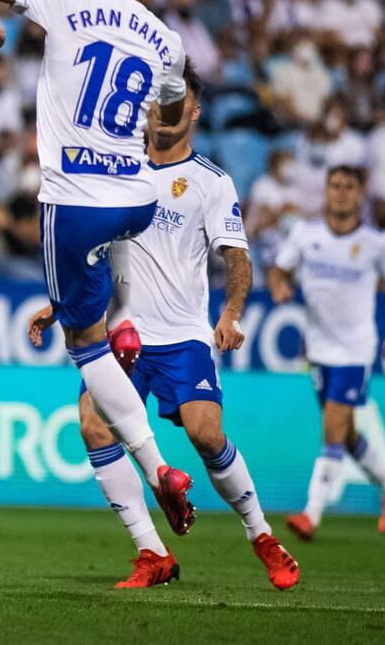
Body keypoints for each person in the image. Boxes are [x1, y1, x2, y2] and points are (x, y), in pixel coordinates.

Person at [0, 0, 196, 536]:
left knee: (86, 349)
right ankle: (126, 317)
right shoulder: (170, 44)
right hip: (137, 198)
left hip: (74, 202)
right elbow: (165, 119)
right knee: (110, 261)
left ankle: (159, 467)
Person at [28, 62, 299, 591]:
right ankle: (152, 553)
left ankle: (262, 535)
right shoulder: (116, 170)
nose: (166, 113)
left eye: (178, 104)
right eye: (159, 102)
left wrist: (231, 313)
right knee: (92, 425)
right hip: (120, 336)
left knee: (206, 433)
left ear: (194, 112)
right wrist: (59, 303)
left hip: (182, 337)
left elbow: (236, 259)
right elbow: (92, 250)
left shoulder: (210, 182)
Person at [268, 166, 385, 541]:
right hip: (318, 350)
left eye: (349, 186)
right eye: (335, 186)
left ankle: (311, 514)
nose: (341, 193)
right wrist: (280, 287)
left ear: (361, 194)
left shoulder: (377, 242)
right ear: (326, 192)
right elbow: (278, 270)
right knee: (346, 435)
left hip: (355, 350)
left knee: (332, 431)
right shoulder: (305, 233)